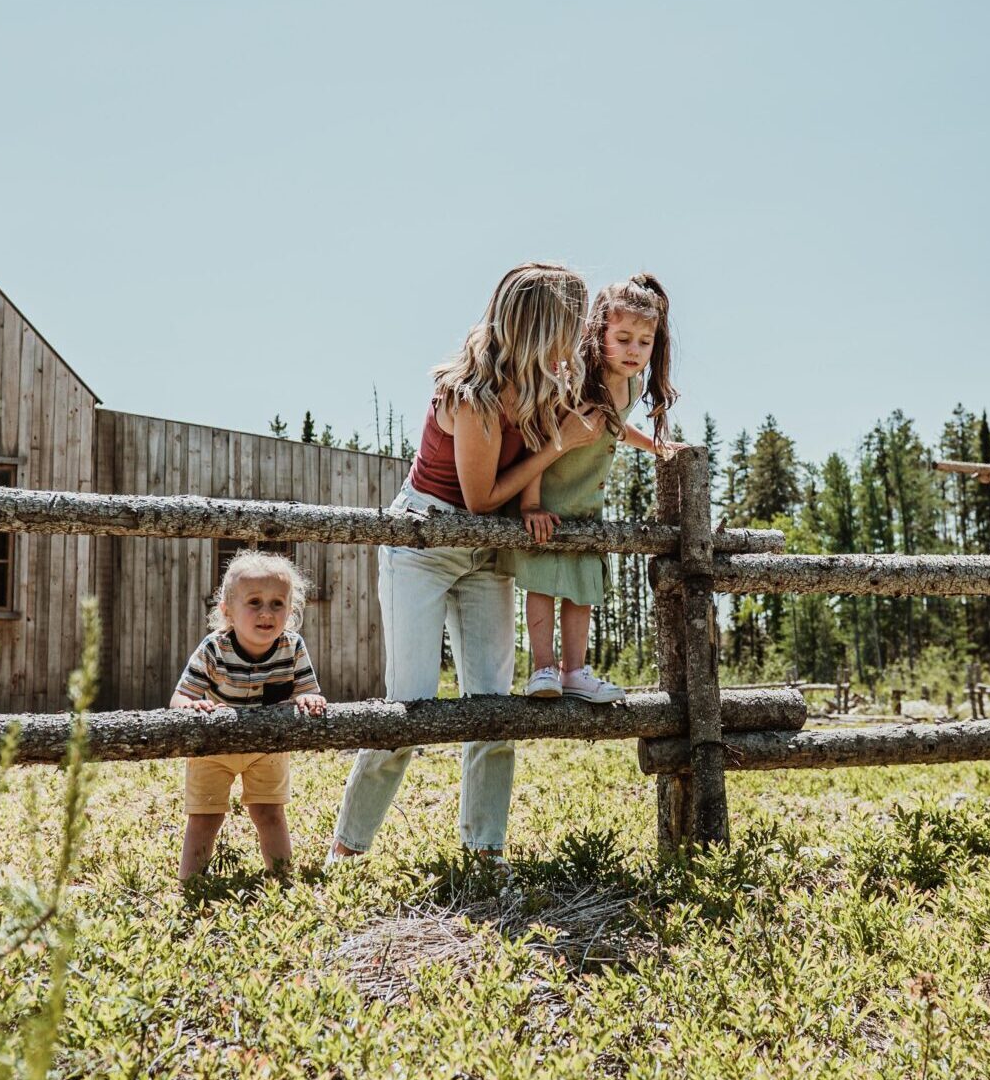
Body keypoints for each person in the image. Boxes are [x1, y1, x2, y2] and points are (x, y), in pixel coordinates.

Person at [328, 262, 601, 864]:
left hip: (488, 552)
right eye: (573, 322)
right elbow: (479, 500)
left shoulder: (544, 387)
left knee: (492, 704)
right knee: (411, 703)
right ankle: (347, 851)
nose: (580, 336)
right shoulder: (471, 395)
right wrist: (557, 446)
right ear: (542, 326)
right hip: (424, 543)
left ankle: (485, 852)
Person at [513, 274, 684, 702]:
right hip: (549, 501)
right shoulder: (576, 374)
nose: (633, 350)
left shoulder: (632, 385)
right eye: (623, 337)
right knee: (543, 583)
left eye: (644, 342)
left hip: (587, 505)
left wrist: (653, 444)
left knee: (582, 591)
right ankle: (543, 668)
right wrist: (531, 504)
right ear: (598, 331)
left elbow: (614, 426)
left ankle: (575, 672)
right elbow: (539, 432)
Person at [169, 550, 327, 884]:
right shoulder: (215, 648)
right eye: (254, 602)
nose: (266, 613)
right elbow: (180, 697)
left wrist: (310, 698)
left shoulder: (292, 647)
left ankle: (282, 881)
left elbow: (308, 691)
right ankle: (191, 883)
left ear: (291, 609)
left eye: (277, 603)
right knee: (204, 818)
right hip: (214, 750)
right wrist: (191, 707)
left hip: (267, 749)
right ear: (227, 611)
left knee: (270, 814)